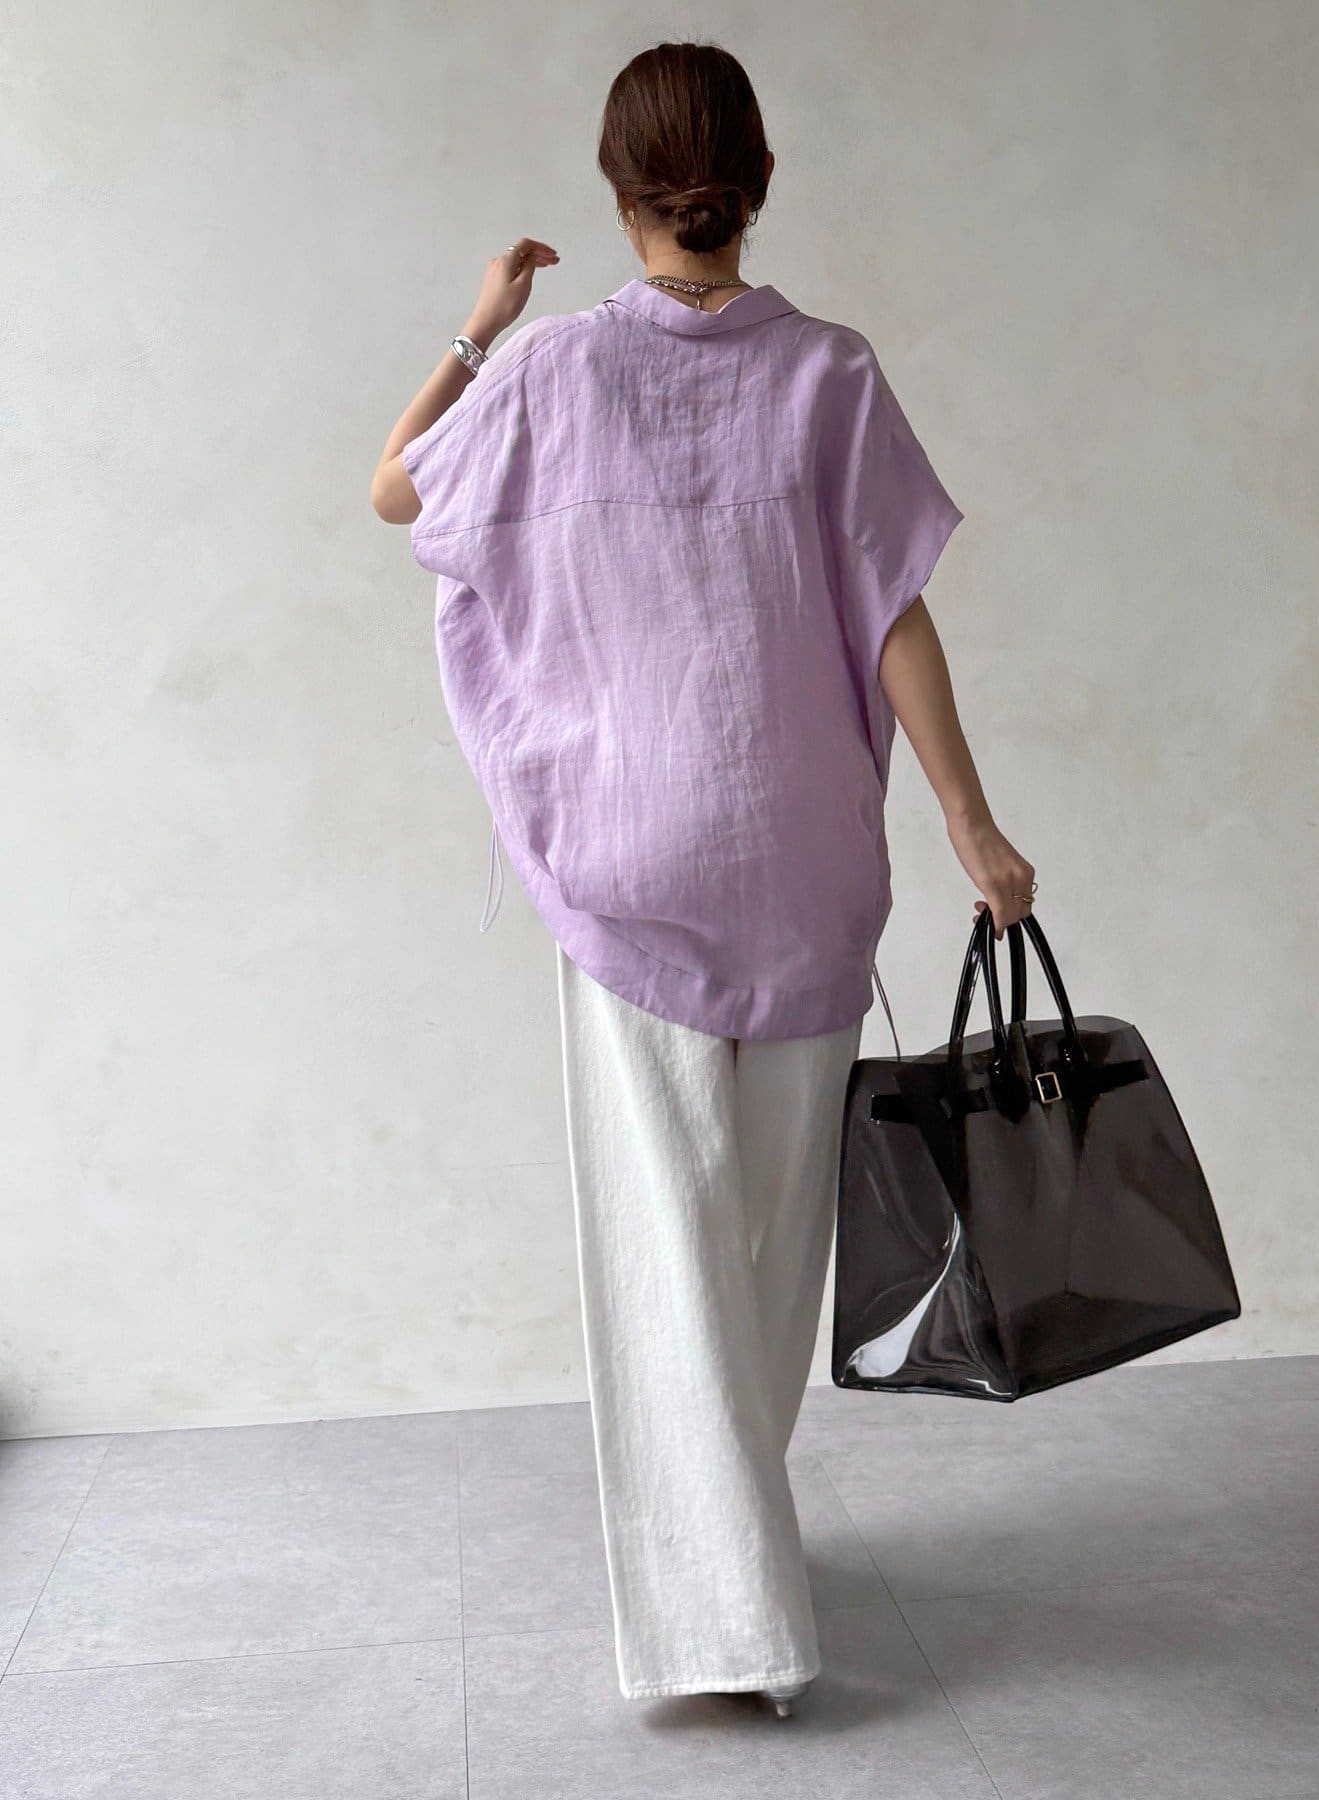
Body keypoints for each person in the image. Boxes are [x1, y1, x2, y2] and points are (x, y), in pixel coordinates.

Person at [370, 40, 1035, 1714]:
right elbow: (894, 615)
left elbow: (395, 491)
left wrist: (478, 329)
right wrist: (970, 824)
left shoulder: (551, 370)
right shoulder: (831, 371)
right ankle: (738, 1569)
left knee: (664, 1247)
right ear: (757, 183)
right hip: (807, 857)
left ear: (621, 192)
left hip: (629, 855)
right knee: (767, 1250)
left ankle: (728, 1618)